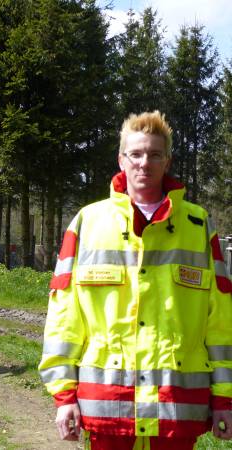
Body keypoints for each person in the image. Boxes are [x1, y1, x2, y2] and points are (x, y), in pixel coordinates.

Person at [38, 111, 232, 449]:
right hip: (108, 409)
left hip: (176, 413)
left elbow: (221, 321)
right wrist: (64, 395)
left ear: (167, 160)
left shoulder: (199, 226)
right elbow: (63, 316)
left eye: (155, 154)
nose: (145, 163)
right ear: (121, 159)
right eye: (136, 154)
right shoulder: (87, 223)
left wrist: (225, 397)